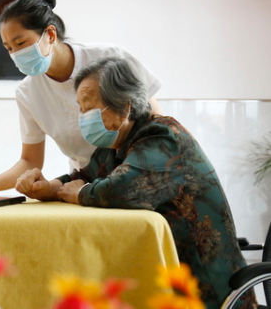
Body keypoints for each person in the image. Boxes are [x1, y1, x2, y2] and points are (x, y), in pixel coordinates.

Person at [15, 57, 255, 309]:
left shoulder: (163, 134)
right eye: (80, 108)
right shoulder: (116, 145)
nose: (82, 116)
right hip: (167, 277)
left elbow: (121, 189)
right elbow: (84, 178)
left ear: (123, 108)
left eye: (88, 107)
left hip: (206, 287)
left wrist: (80, 193)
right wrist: (50, 187)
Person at [0, 0, 162, 192]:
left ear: (50, 34)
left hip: (138, 176)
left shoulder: (111, 57)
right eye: (9, 48)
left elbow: (155, 123)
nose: (16, 54)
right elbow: (30, 160)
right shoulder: (28, 93)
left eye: (21, 43)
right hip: (83, 183)